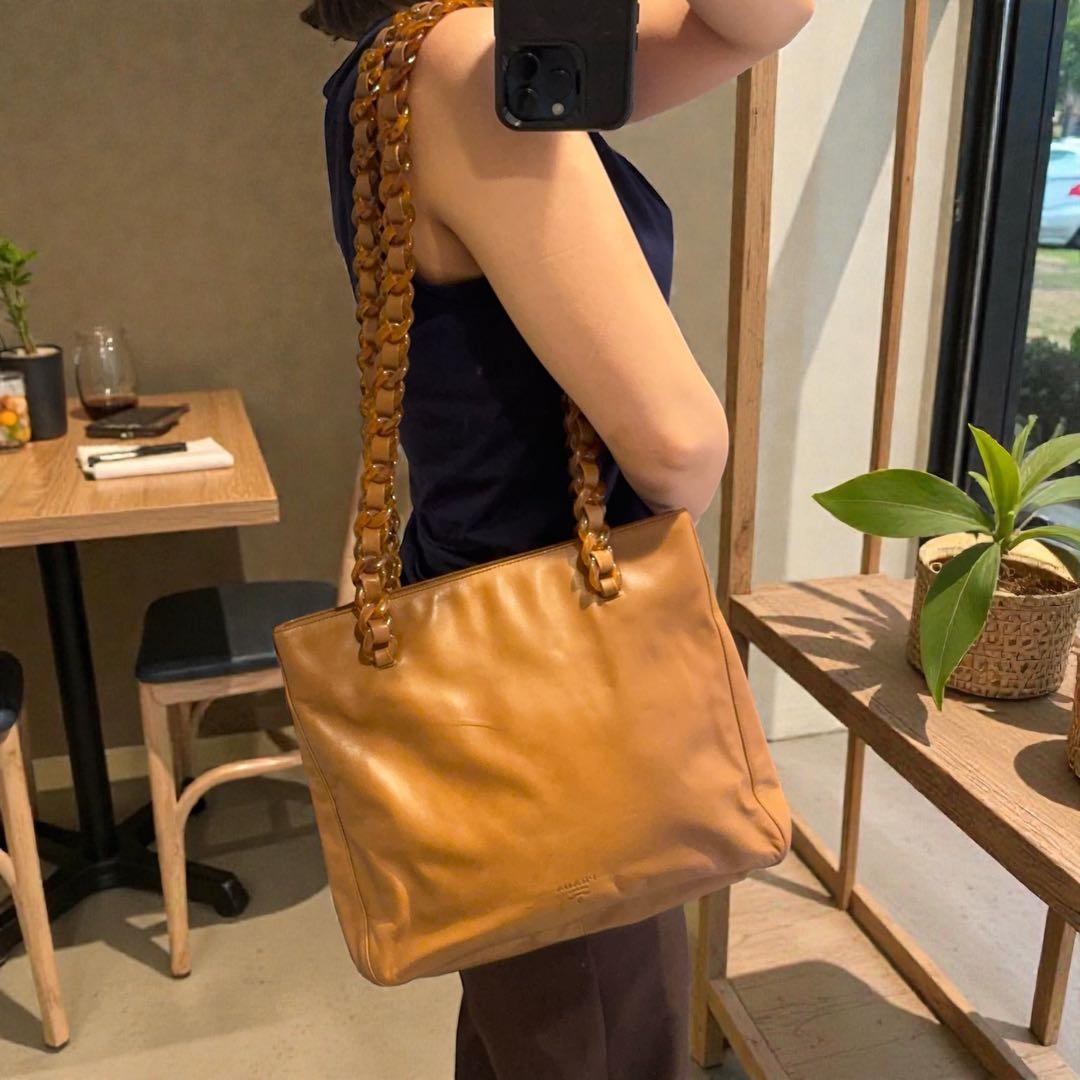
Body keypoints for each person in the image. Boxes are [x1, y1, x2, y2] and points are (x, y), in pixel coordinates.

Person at [302, 1, 813, 1076]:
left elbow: (754, 24)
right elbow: (677, 447)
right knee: (600, 1034)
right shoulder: (463, 63)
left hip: (495, 648)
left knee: (534, 1023)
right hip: (560, 667)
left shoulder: (390, 70)